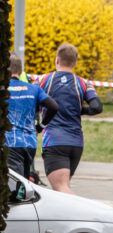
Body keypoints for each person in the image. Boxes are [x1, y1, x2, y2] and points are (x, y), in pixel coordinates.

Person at [39, 43, 102, 194]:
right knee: (63, 187)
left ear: (57, 60)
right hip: (76, 143)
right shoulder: (83, 83)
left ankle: (85, 215)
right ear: (75, 63)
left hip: (55, 140)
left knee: (61, 189)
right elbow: (97, 107)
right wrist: (79, 110)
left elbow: (33, 104)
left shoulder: (43, 80)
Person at [5, 52, 58, 178]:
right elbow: (53, 106)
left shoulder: (3, 88)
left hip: (10, 143)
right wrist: (40, 126)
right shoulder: (34, 89)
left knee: (14, 186)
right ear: (21, 70)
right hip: (29, 143)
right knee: (24, 182)